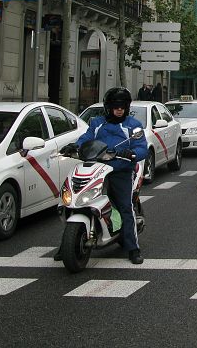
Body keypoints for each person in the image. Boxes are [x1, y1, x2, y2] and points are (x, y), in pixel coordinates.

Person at [73, 87, 148, 264]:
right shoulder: (97, 123)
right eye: (116, 106)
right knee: (76, 201)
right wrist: (76, 146)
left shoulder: (133, 125)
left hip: (120, 171)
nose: (119, 109)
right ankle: (67, 245)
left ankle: (133, 248)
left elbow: (141, 146)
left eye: (122, 106)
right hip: (97, 169)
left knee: (125, 207)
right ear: (108, 107)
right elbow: (86, 138)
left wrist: (132, 153)